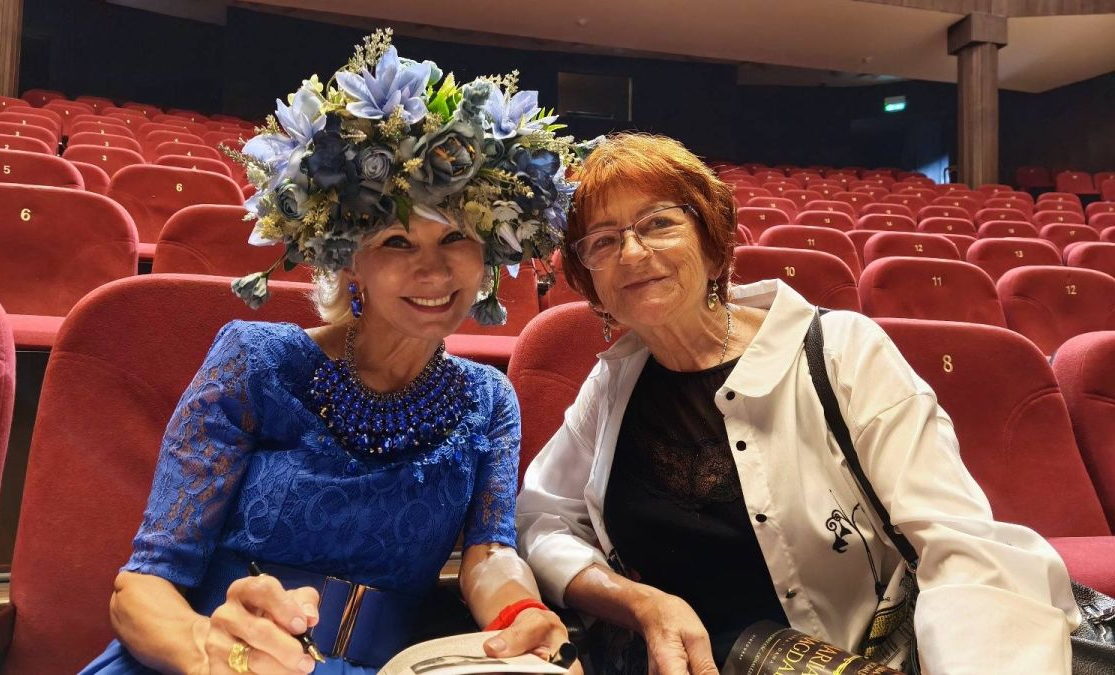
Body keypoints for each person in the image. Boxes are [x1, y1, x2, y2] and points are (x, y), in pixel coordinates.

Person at [82, 30, 586, 675]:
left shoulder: (488, 400)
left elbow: (489, 554)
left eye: (456, 239)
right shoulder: (257, 361)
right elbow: (142, 585)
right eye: (397, 242)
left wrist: (522, 613)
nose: (434, 271)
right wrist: (213, 656)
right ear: (349, 263)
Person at [515, 133, 1081, 674]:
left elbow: (958, 544)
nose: (633, 252)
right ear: (591, 283)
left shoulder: (844, 350)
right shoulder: (614, 383)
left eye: (658, 223)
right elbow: (543, 520)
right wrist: (638, 602)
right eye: (603, 241)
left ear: (712, 244)